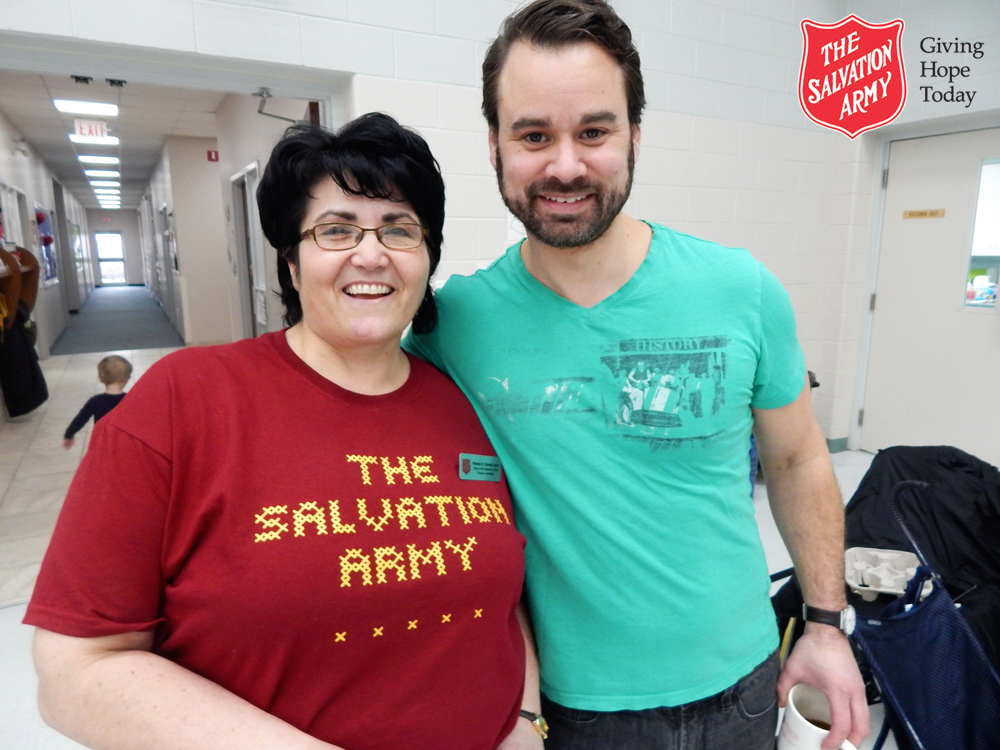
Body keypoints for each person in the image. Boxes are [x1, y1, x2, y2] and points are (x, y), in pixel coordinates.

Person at [404, 2, 870, 749]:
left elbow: (797, 456)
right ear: (493, 146)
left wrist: (824, 623)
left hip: (743, 687)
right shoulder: (451, 328)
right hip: (570, 709)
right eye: (533, 135)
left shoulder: (740, 289)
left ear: (635, 136)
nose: (564, 164)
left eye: (594, 131)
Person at [25, 113, 544, 750]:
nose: (371, 252)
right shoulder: (183, 400)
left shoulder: (461, 401)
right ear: (291, 262)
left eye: (399, 229)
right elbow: (78, 670)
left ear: (427, 256)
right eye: (336, 229)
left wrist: (523, 720)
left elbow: (501, 591)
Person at [62, 354, 132, 449]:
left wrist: (69, 435)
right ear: (127, 380)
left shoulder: (95, 401)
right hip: (125, 442)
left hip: (102, 441)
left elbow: (80, 419)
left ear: (100, 378)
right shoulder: (130, 400)